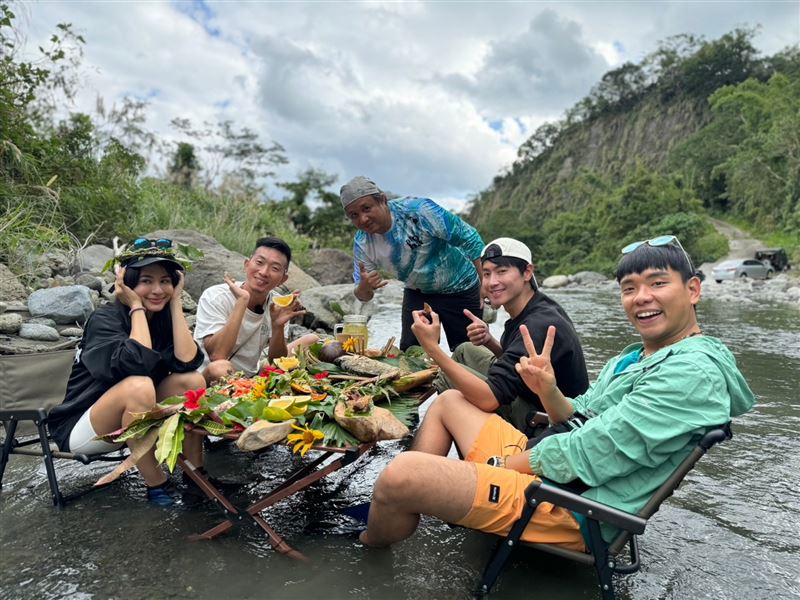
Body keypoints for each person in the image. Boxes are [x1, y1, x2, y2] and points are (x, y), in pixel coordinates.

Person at [358, 235, 755, 550]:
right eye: (630, 288)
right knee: (447, 402)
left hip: (572, 505)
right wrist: (548, 389)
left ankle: (369, 541)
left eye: (657, 284)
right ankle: (409, 502)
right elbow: (578, 412)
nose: (641, 298)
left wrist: (496, 466)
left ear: (693, 290)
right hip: (552, 466)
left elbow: (596, 451)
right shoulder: (635, 356)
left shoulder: (691, 373)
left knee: (399, 475)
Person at [48, 238, 207, 506]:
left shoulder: (162, 319)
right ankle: (157, 485)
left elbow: (187, 362)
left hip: (132, 419)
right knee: (139, 385)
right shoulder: (105, 319)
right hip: (84, 428)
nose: (157, 289)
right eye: (146, 280)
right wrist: (136, 306)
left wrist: (176, 301)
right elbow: (137, 364)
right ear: (128, 283)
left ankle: (196, 476)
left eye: (165, 281)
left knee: (192, 381)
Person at [425, 237, 588, 435]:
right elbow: (519, 362)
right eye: (486, 273)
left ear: (527, 272)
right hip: (531, 394)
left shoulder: (538, 324)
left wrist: (432, 348)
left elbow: (490, 397)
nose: (492, 282)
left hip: (551, 422)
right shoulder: (532, 307)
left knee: (450, 381)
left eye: (502, 271)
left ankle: (473, 452)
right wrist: (489, 341)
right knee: (465, 350)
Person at [341, 175, 484, 351]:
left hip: (461, 287)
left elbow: (470, 238)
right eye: (354, 215)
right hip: (418, 293)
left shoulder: (419, 211)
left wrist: (484, 283)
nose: (363, 219)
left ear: (382, 200)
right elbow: (363, 296)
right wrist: (364, 286)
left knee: (470, 352)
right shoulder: (363, 243)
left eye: (367, 208)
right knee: (411, 355)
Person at [193, 236, 319, 380]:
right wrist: (242, 301)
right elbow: (217, 355)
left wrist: (278, 326)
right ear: (247, 264)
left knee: (312, 339)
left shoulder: (278, 304)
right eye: (259, 262)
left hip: (252, 375)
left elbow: (277, 361)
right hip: (210, 375)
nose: (264, 272)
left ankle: (252, 380)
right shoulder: (216, 296)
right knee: (219, 368)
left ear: (283, 279)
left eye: (275, 268)